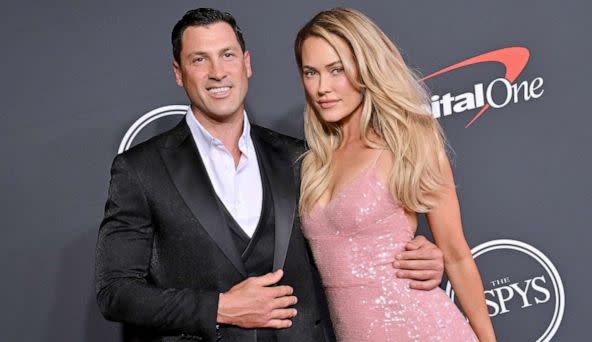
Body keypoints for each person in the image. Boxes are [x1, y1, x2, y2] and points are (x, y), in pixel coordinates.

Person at [95, 7, 445, 342]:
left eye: (228, 55)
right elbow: (116, 292)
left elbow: (343, 238)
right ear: (178, 72)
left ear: (247, 64)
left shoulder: (302, 157)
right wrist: (220, 308)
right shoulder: (140, 169)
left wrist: (412, 255)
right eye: (199, 59)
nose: (217, 71)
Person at [295, 8, 496, 342]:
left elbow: (457, 255)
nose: (322, 87)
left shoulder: (409, 143)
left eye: (336, 70)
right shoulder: (312, 160)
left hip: (426, 330)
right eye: (310, 72)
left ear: (365, 66)